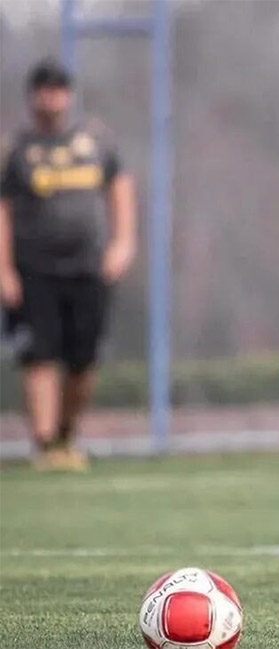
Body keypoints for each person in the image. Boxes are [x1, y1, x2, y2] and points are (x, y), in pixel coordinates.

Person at [0, 58, 136, 471]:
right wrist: (4, 270)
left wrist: (123, 244)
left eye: (58, 89)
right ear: (32, 96)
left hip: (87, 268)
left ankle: (65, 436)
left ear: (69, 95)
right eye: (43, 89)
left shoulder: (95, 142)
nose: (51, 97)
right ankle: (44, 444)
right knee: (39, 356)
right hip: (33, 269)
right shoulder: (16, 149)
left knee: (83, 360)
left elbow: (120, 188)